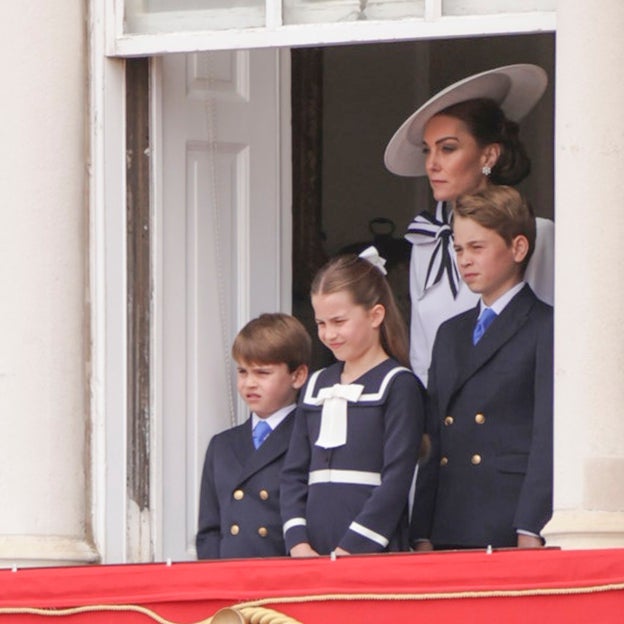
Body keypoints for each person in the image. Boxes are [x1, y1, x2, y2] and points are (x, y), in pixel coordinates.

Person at [384, 64, 554, 385]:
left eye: (447, 148)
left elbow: (552, 337)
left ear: (488, 156)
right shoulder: (426, 242)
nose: (432, 163)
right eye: (427, 150)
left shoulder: (538, 233)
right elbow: (423, 354)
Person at [410, 185, 553, 550]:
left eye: (477, 248)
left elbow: (546, 436)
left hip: (506, 517)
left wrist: (531, 526)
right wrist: (421, 529)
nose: (464, 261)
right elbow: (433, 436)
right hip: (449, 517)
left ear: (518, 248)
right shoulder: (449, 333)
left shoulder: (545, 326)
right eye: (458, 249)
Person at [281, 246, 425, 557]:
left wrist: (352, 550)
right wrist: (298, 543)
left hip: (372, 551)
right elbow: (293, 472)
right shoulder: (316, 384)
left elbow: (396, 480)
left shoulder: (398, 385)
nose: (328, 334)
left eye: (338, 321)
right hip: (312, 553)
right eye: (321, 324)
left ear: (376, 315)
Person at [196, 313, 311, 559]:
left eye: (262, 373)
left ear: (298, 376)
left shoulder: (310, 437)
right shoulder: (222, 445)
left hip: (282, 580)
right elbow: (209, 531)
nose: (249, 383)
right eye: (242, 372)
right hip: (231, 581)